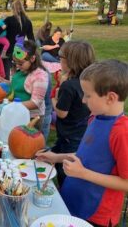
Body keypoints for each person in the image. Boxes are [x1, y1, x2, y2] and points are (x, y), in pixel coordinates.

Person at [36, 59, 128, 227]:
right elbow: (86, 156)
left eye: (88, 95)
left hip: (95, 215)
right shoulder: (95, 117)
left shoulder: (121, 131)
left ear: (110, 98)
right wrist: (56, 157)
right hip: (74, 201)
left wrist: (83, 173)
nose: (83, 100)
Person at [51, 41, 95, 186]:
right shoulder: (89, 82)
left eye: (61, 58)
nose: (59, 61)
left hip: (68, 136)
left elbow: (61, 113)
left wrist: (54, 99)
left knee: (65, 170)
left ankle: (65, 197)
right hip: (82, 133)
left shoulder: (68, 86)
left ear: (70, 62)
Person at [0, 40, 49, 130]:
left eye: (20, 63)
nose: (17, 66)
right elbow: (16, 86)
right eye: (15, 63)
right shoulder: (22, 70)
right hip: (16, 113)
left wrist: (12, 106)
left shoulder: (40, 76)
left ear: (32, 59)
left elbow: (35, 103)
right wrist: (2, 80)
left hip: (31, 118)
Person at [0, 0, 35, 80]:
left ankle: (6, 88)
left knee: (6, 74)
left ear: (13, 9)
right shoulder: (27, 21)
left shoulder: (9, 20)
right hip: (20, 50)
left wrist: (2, 25)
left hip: (7, 51)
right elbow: (31, 39)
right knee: (18, 73)